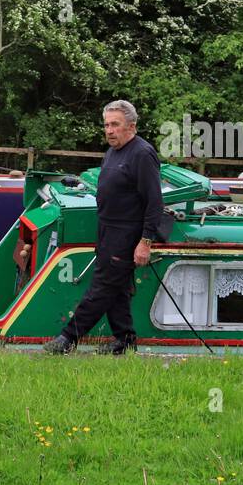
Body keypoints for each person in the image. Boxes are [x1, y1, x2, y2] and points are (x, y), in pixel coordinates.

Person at [43, 100, 165, 355]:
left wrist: (146, 241)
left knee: (101, 287)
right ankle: (125, 340)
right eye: (107, 125)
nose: (109, 130)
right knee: (116, 289)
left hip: (127, 233)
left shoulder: (142, 154)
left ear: (131, 126)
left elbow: (154, 202)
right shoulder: (112, 151)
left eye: (115, 125)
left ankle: (67, 339)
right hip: (107, 229)